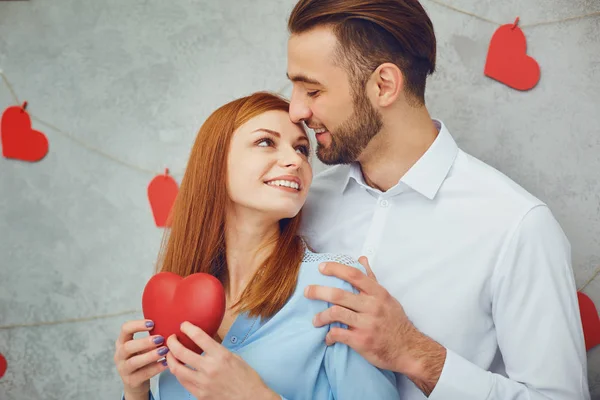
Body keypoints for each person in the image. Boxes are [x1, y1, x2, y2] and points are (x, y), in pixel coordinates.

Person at [284, 0, 591, 399]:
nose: (295, 110)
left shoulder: (516, 225)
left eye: (312, 89)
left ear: (384, 85)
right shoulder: (300, 205)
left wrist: (413, 351)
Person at [113, 92, 400, 400]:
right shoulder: (173, 300)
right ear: (215, 163)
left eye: (302, 149)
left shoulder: (335, 286)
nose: (296, 160)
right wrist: (135, 392)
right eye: (266, 142)